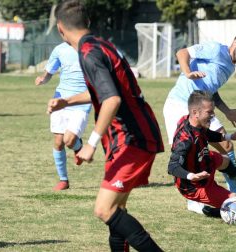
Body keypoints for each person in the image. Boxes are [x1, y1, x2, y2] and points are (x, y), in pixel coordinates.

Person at [49, 1, 164, 251]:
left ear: (60, 28)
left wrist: (90, 143)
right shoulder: (101, 44)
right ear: (87, 22)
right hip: (134, 135)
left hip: (132, 138)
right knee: (117, 211)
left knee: (104, 209)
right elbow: (107, 91)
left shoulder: (88, 53)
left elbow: (112, 99)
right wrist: (66, 101)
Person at [163, 29, 236, 213]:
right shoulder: (215, 50)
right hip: (179, 104)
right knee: (187, 152)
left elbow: (212, 89)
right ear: (235, 43)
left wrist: (226, 110)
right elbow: (182, 53)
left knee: (226, 144)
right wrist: (188, 72)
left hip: (203, 107)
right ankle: (193, 200)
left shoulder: (231, 66)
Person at [168, 91, 236, 217]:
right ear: (195, 112)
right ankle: (211, 211)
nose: (213, 115)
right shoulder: (185, 141)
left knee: (225, 159)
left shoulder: (192, 121)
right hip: (195, 185)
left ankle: (235, 172)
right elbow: (172, 166)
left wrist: (230, 136)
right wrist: (191, 176)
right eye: (209, 112)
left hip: (203, 160)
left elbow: (208, 135)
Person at [35, 42, 91, 191]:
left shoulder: (91, 47)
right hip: (60, 100)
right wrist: (43, 79)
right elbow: (49, 73)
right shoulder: (59, 50)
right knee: (59, 141)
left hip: (82, 101)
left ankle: (77, 146)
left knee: (69, 139)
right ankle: (63, 180)